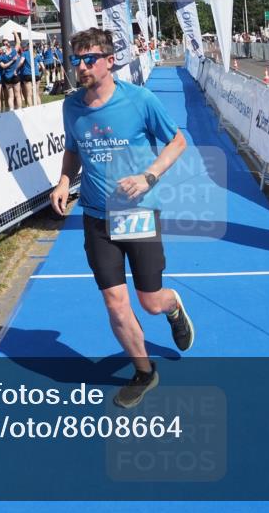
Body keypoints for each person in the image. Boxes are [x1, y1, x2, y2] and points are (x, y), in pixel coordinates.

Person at [49, 28, 192, 409]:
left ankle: (172, 305)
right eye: (75, 59)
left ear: (110, 61)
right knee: (114, 302)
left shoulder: (140, 100)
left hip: (136, 214)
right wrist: (64, 181)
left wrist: (149, 176)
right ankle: (144, 372)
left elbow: (177, 141)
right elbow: (72, 149)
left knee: (149, 301)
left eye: (88, 59)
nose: (80, 66)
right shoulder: (71, 106)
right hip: (96, 216)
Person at [18, 40, 43, 107]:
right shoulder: (37, 54)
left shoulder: (25, 53)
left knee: (29, 94)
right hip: (36, 75)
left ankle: (31, 109)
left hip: (27, 74)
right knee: (36, 94)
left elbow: (21, 62)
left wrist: (16, 69)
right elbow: (43, 66)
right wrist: (40, 73)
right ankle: (39, 108)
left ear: (28, 46)